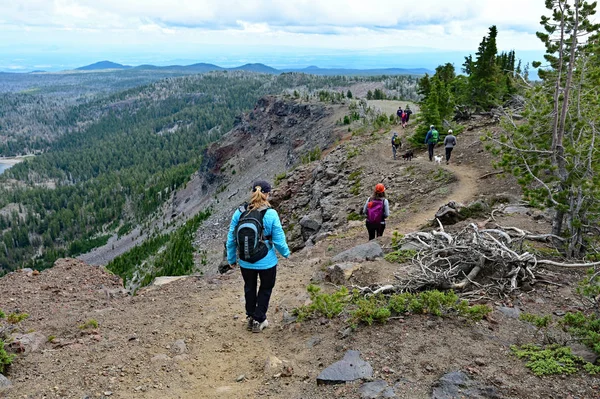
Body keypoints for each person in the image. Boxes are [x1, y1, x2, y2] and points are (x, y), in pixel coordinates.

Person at [226, 180, 290, 333]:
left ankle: (250, 317)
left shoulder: (240, 212)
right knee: (266, 288)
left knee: (249, 287)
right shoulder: (271, 213)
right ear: (267, 194)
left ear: (252, 192)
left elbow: (231, 238)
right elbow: (278, 239)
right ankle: (259, 319)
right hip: (266, 261)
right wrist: (286, 253)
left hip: (246, 260)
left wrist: (231, 259)